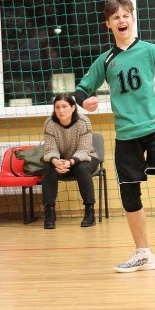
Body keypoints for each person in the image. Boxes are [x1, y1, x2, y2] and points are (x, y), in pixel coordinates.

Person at [75, 0, 155, 274]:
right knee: (129, 194)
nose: (121, 20)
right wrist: (84, 102)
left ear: (133, 19)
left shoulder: (150, 51)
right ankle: (143, 254)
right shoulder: (106, 61)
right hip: (126, 134)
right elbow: (80, 90)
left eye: (126, 15)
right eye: (116, 17)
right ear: (108, 24)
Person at [40, 93, 100, 229]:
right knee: (49, 167)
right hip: (61, 161)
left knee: (81, 168)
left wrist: (71, 162)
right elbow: (50, 149)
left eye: (64, 106)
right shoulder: (49, 123)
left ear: (73, 108)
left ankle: (89, 211)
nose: (61, 111)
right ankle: (49, 211)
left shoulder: (83, 121)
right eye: (57, 107)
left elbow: (84, 150)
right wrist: (56, 161)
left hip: (86, 158)